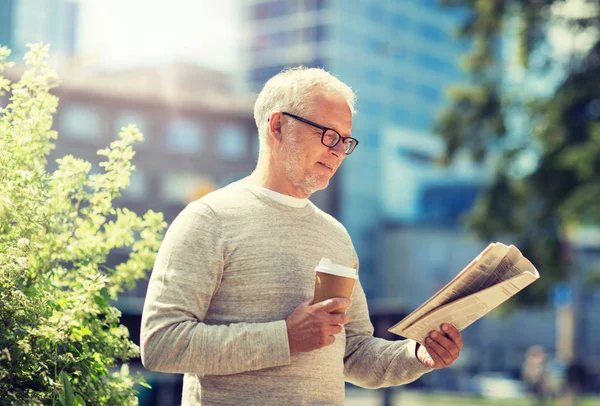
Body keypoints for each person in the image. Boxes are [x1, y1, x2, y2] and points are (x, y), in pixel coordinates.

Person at [140, 67, 463, 405]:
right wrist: (285, 338)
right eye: (328, 134)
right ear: (278, 126)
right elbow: (161, 342)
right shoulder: (208, 219)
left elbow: (353, 352)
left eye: (345, 140)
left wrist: (417, 355)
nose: (339, 151)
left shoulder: (335, 235)